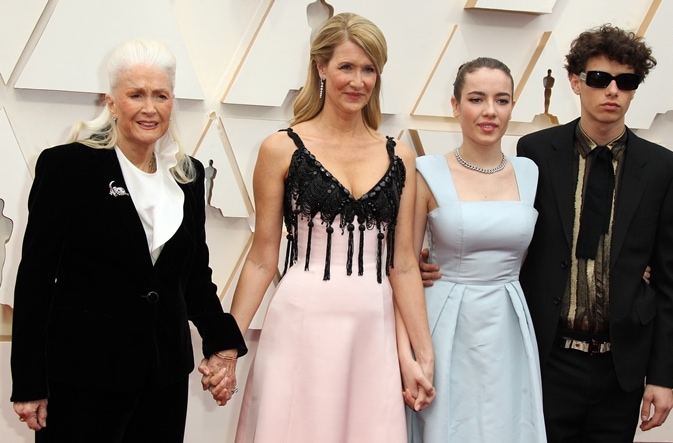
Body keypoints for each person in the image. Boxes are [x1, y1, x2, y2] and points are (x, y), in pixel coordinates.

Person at [421, 24, 673, 442]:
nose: (612, 90)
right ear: (576, 82)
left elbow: (668, 279)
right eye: (599, 79)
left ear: (635, 89)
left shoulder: (665, 168)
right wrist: (437, 256)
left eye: (626, 81)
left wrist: (662, 376)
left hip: (623, 365)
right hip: (546, 355)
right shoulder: (536, 153)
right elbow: (505, 229)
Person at [10, 39, 247, 443]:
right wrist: (30, 382)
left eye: (161, 95)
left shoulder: (187, 175)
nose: (149, 108)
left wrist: (221, 340)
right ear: (112, 101)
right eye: (136, 94)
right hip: (83, 378)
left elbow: (192, 277)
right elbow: (35, 281)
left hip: (164, 377)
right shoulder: (67, 167)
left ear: (173, 102)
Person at [230, 12, 435, 443]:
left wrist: (422, 355)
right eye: (346, 66)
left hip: (372, 327)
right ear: (321, 67)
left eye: (368, 69)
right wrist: (227, 345)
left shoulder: (401, 156)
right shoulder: (280, 149)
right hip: (301, 322)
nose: (358, 81)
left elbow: (403, 266)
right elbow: (262, 258)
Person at [406, 57, 546, 443]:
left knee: (507, 423)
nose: (489, 111)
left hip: (509, 323)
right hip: (445, 320)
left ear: (512, 107)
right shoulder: (425, 171)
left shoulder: (530, 172)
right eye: (476, 99)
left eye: (502, 100)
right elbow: (401, 264)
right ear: (455, 105)